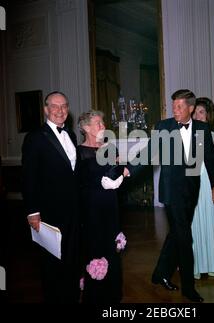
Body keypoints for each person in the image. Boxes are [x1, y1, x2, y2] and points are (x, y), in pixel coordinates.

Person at [126, 89, 214, 302]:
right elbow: (149, 152)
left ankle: (159, 274)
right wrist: (129, 169)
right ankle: (189, 287)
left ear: (191, 108)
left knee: (177, 234)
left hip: (191, 191)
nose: (174, 110)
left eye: (179, 106)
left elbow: (211, 159)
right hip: (171, 192)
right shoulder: (164, 126)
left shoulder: (202, 128)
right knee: (185, 238)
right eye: (173, 106)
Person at [22, 91, 80, 303]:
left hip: (73, 211)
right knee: (51, 261)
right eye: (55, 106)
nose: (60, 110)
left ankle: (71, 296)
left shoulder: (71, 135)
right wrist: (33, 212)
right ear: (46, 109)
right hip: (49, 212)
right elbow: (29, 178)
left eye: (64, 106)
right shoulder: (35, 137)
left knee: (71, 257)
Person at [77, 110, 125, 304]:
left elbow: (119, 173)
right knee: (95, 249)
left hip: (110, 208)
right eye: (98, 123)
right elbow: (79, 184)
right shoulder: (78, 152)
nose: (103, 126)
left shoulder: (110, 149)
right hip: (91, 211)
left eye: (103, 123)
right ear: (86, 128)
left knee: (112, 249)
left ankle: (113, 297)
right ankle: (95, 296)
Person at [191, 98, 214, 279]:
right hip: (191, 182)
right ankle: (194, 265)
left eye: (201, 112)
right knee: (193, 221)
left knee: (210, 220)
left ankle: (212, 263)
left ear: (208, 116)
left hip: (207, 182)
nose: (197, 115)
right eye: (195, 112)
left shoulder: (212, 137)